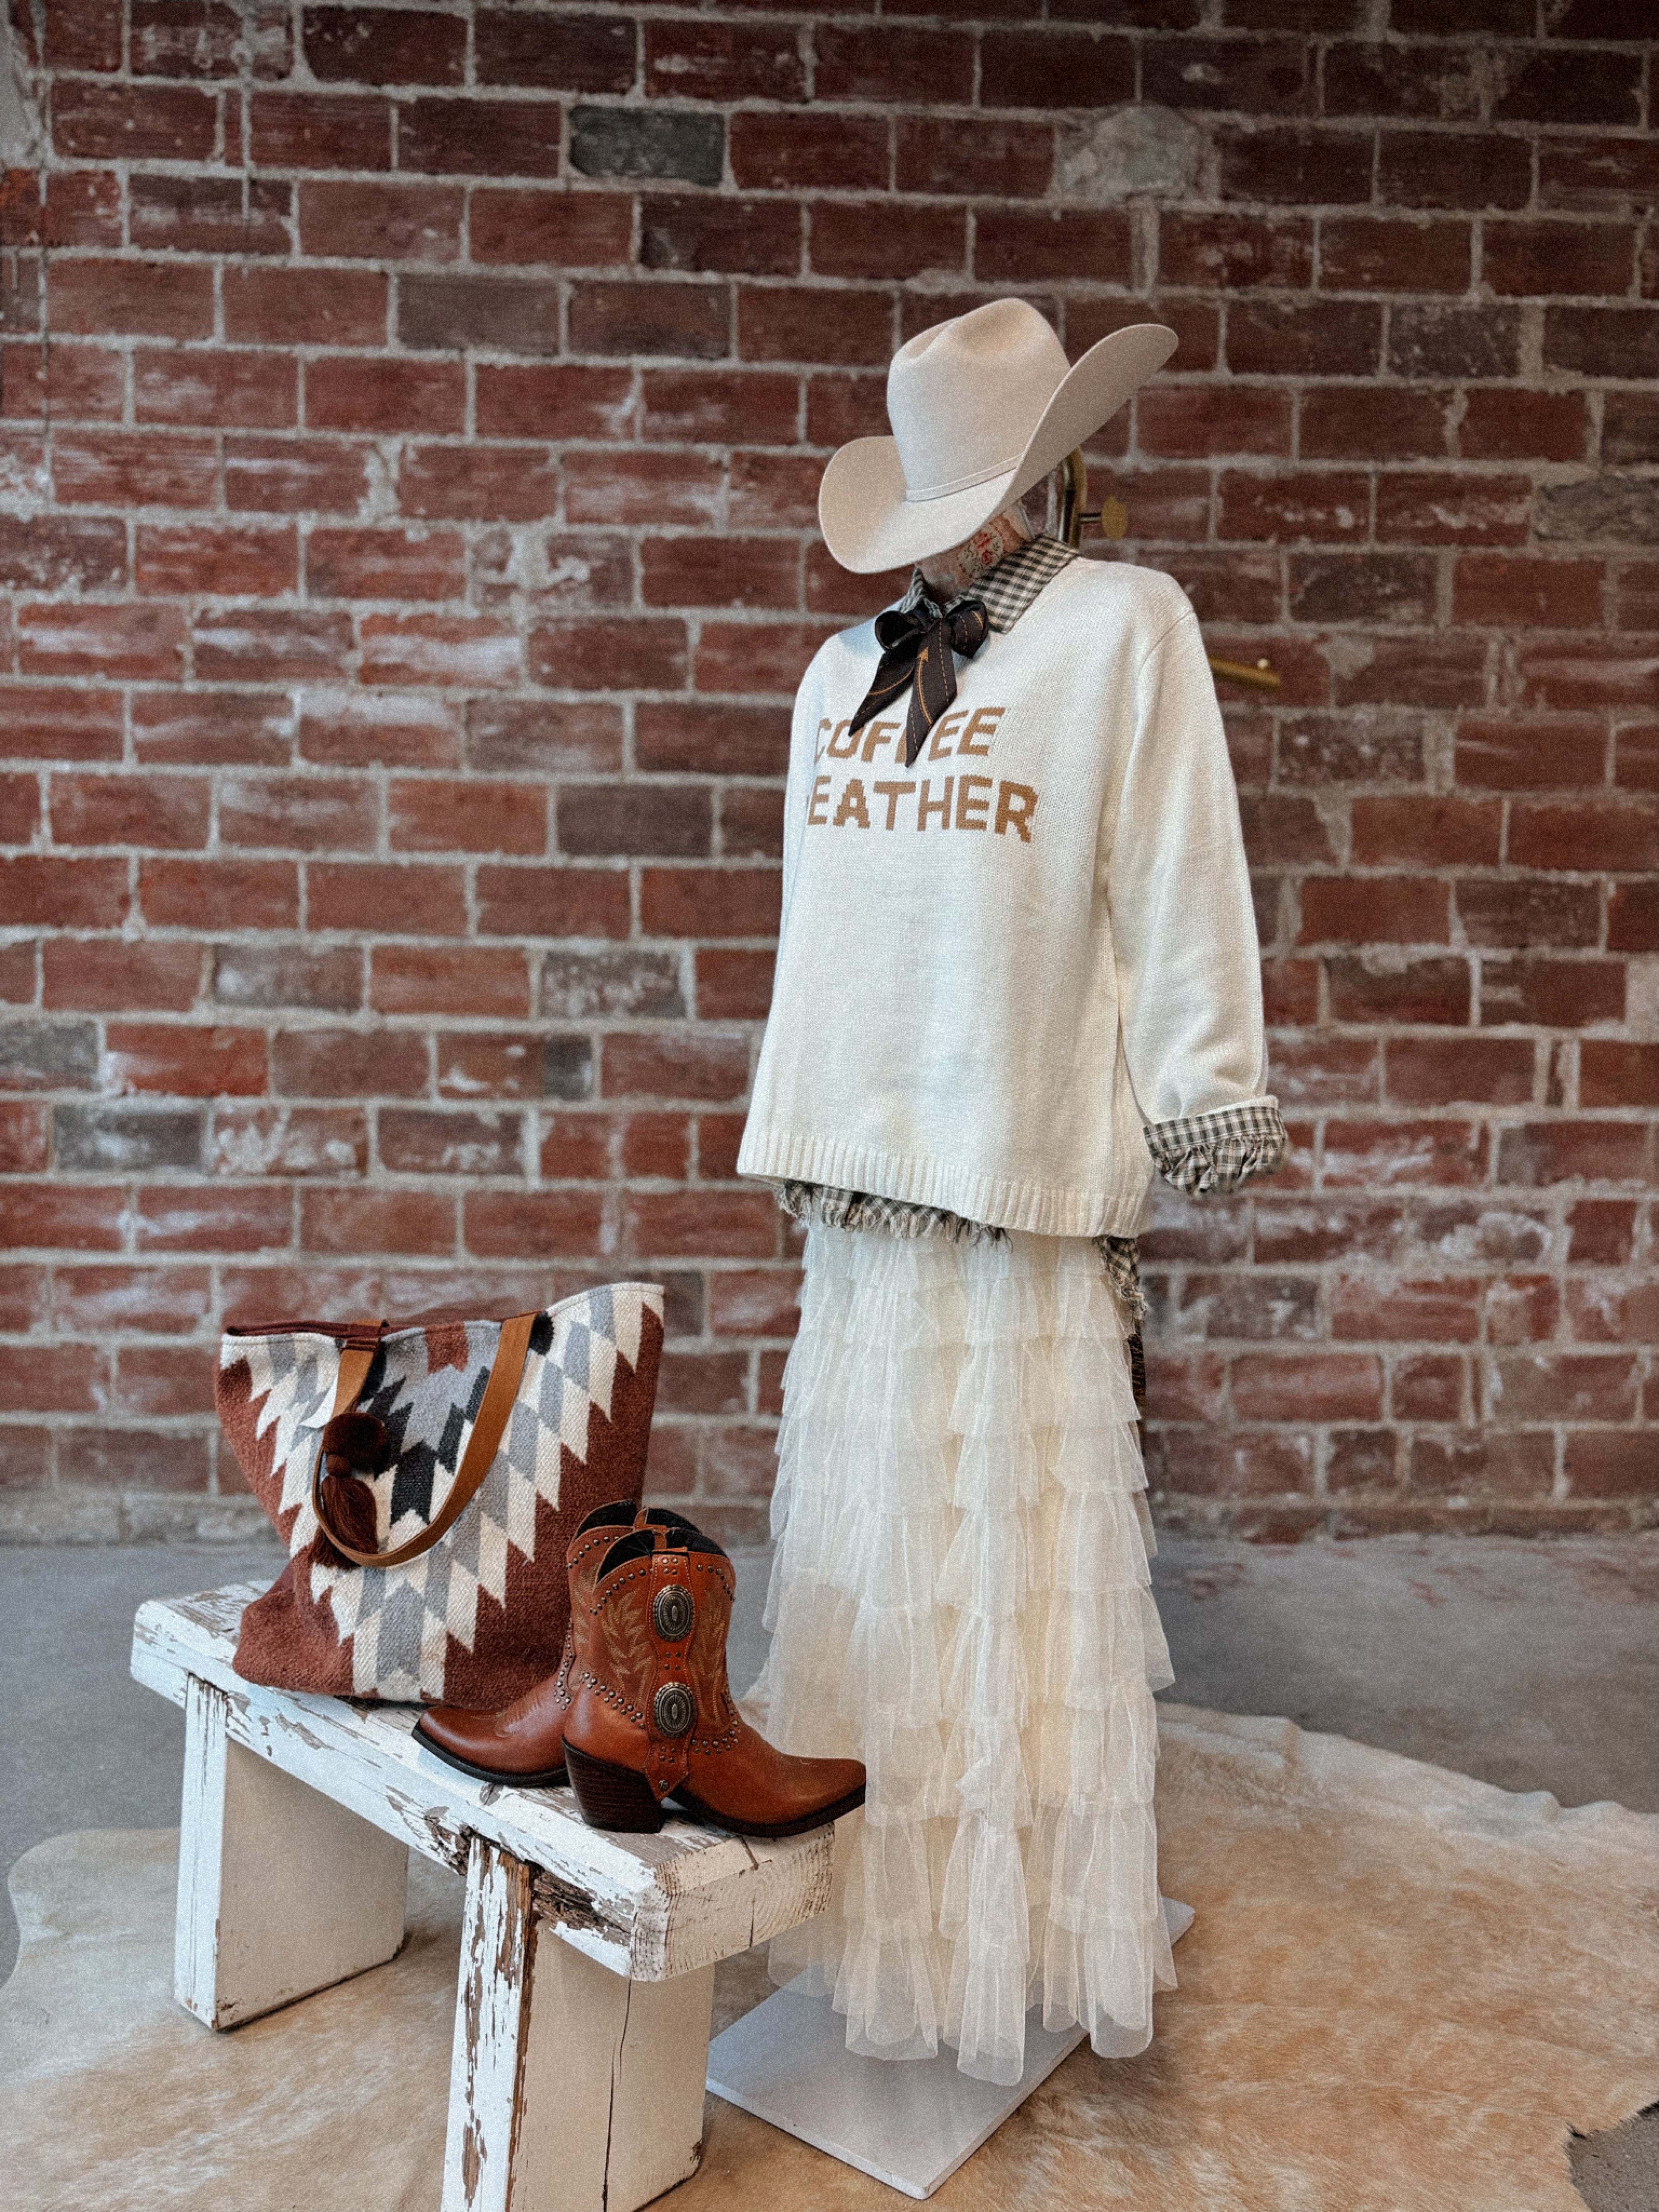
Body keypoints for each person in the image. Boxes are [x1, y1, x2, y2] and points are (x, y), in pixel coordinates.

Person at [735, 295, 1286, 2087]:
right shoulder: (839, 676)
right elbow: (817, 931)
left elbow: (1180, 868)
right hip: (877, 1191)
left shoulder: (1128, 630)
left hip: (1027, 1169)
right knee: (884, 1563)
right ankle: (884, 1917)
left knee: (1016, 1577)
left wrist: (1201, 1095)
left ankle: (1027, 1925)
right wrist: (799, 1117)